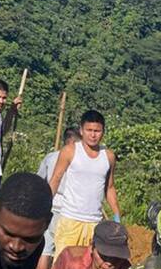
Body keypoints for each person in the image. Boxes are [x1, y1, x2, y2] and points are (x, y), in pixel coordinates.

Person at [48, 110, 122, 259]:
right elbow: (55, 178)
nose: (93, 135)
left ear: (103, 132)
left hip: (94, 224)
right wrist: (44, 206)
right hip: (70, 220)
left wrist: (117, 216)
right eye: (89, 130)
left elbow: (110, 187)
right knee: (63, 268)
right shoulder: (70, 151)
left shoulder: (108, 156)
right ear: (81, 130)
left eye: (97, 131)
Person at [34, 126, 82, 269]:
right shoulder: (77, 159)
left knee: (46, 248)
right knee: (63, 251)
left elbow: (40, 179)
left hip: (50, 204)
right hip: (68, 209)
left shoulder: (50, 157)